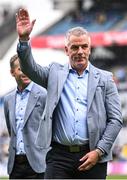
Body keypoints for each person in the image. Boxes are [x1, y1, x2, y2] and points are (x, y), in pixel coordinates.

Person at [16, 9, 123, 179]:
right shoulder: (54, 73)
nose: (80, 51)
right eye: (74, 47)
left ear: (90, 49)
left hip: (93, 155)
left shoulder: (105, 79)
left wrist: (100, 150)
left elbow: (116, 119)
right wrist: (23, 40)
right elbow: (29, 69)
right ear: (66, 50)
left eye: (84, 46)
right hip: (59, 157)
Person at [4, 54, 47, 179]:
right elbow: (12, 130)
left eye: (27, 68)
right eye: (20, 69)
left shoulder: (43, 94)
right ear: (12, 72)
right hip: (15, 165)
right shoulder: (8, 99)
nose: (25, 72)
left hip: (38, 164)